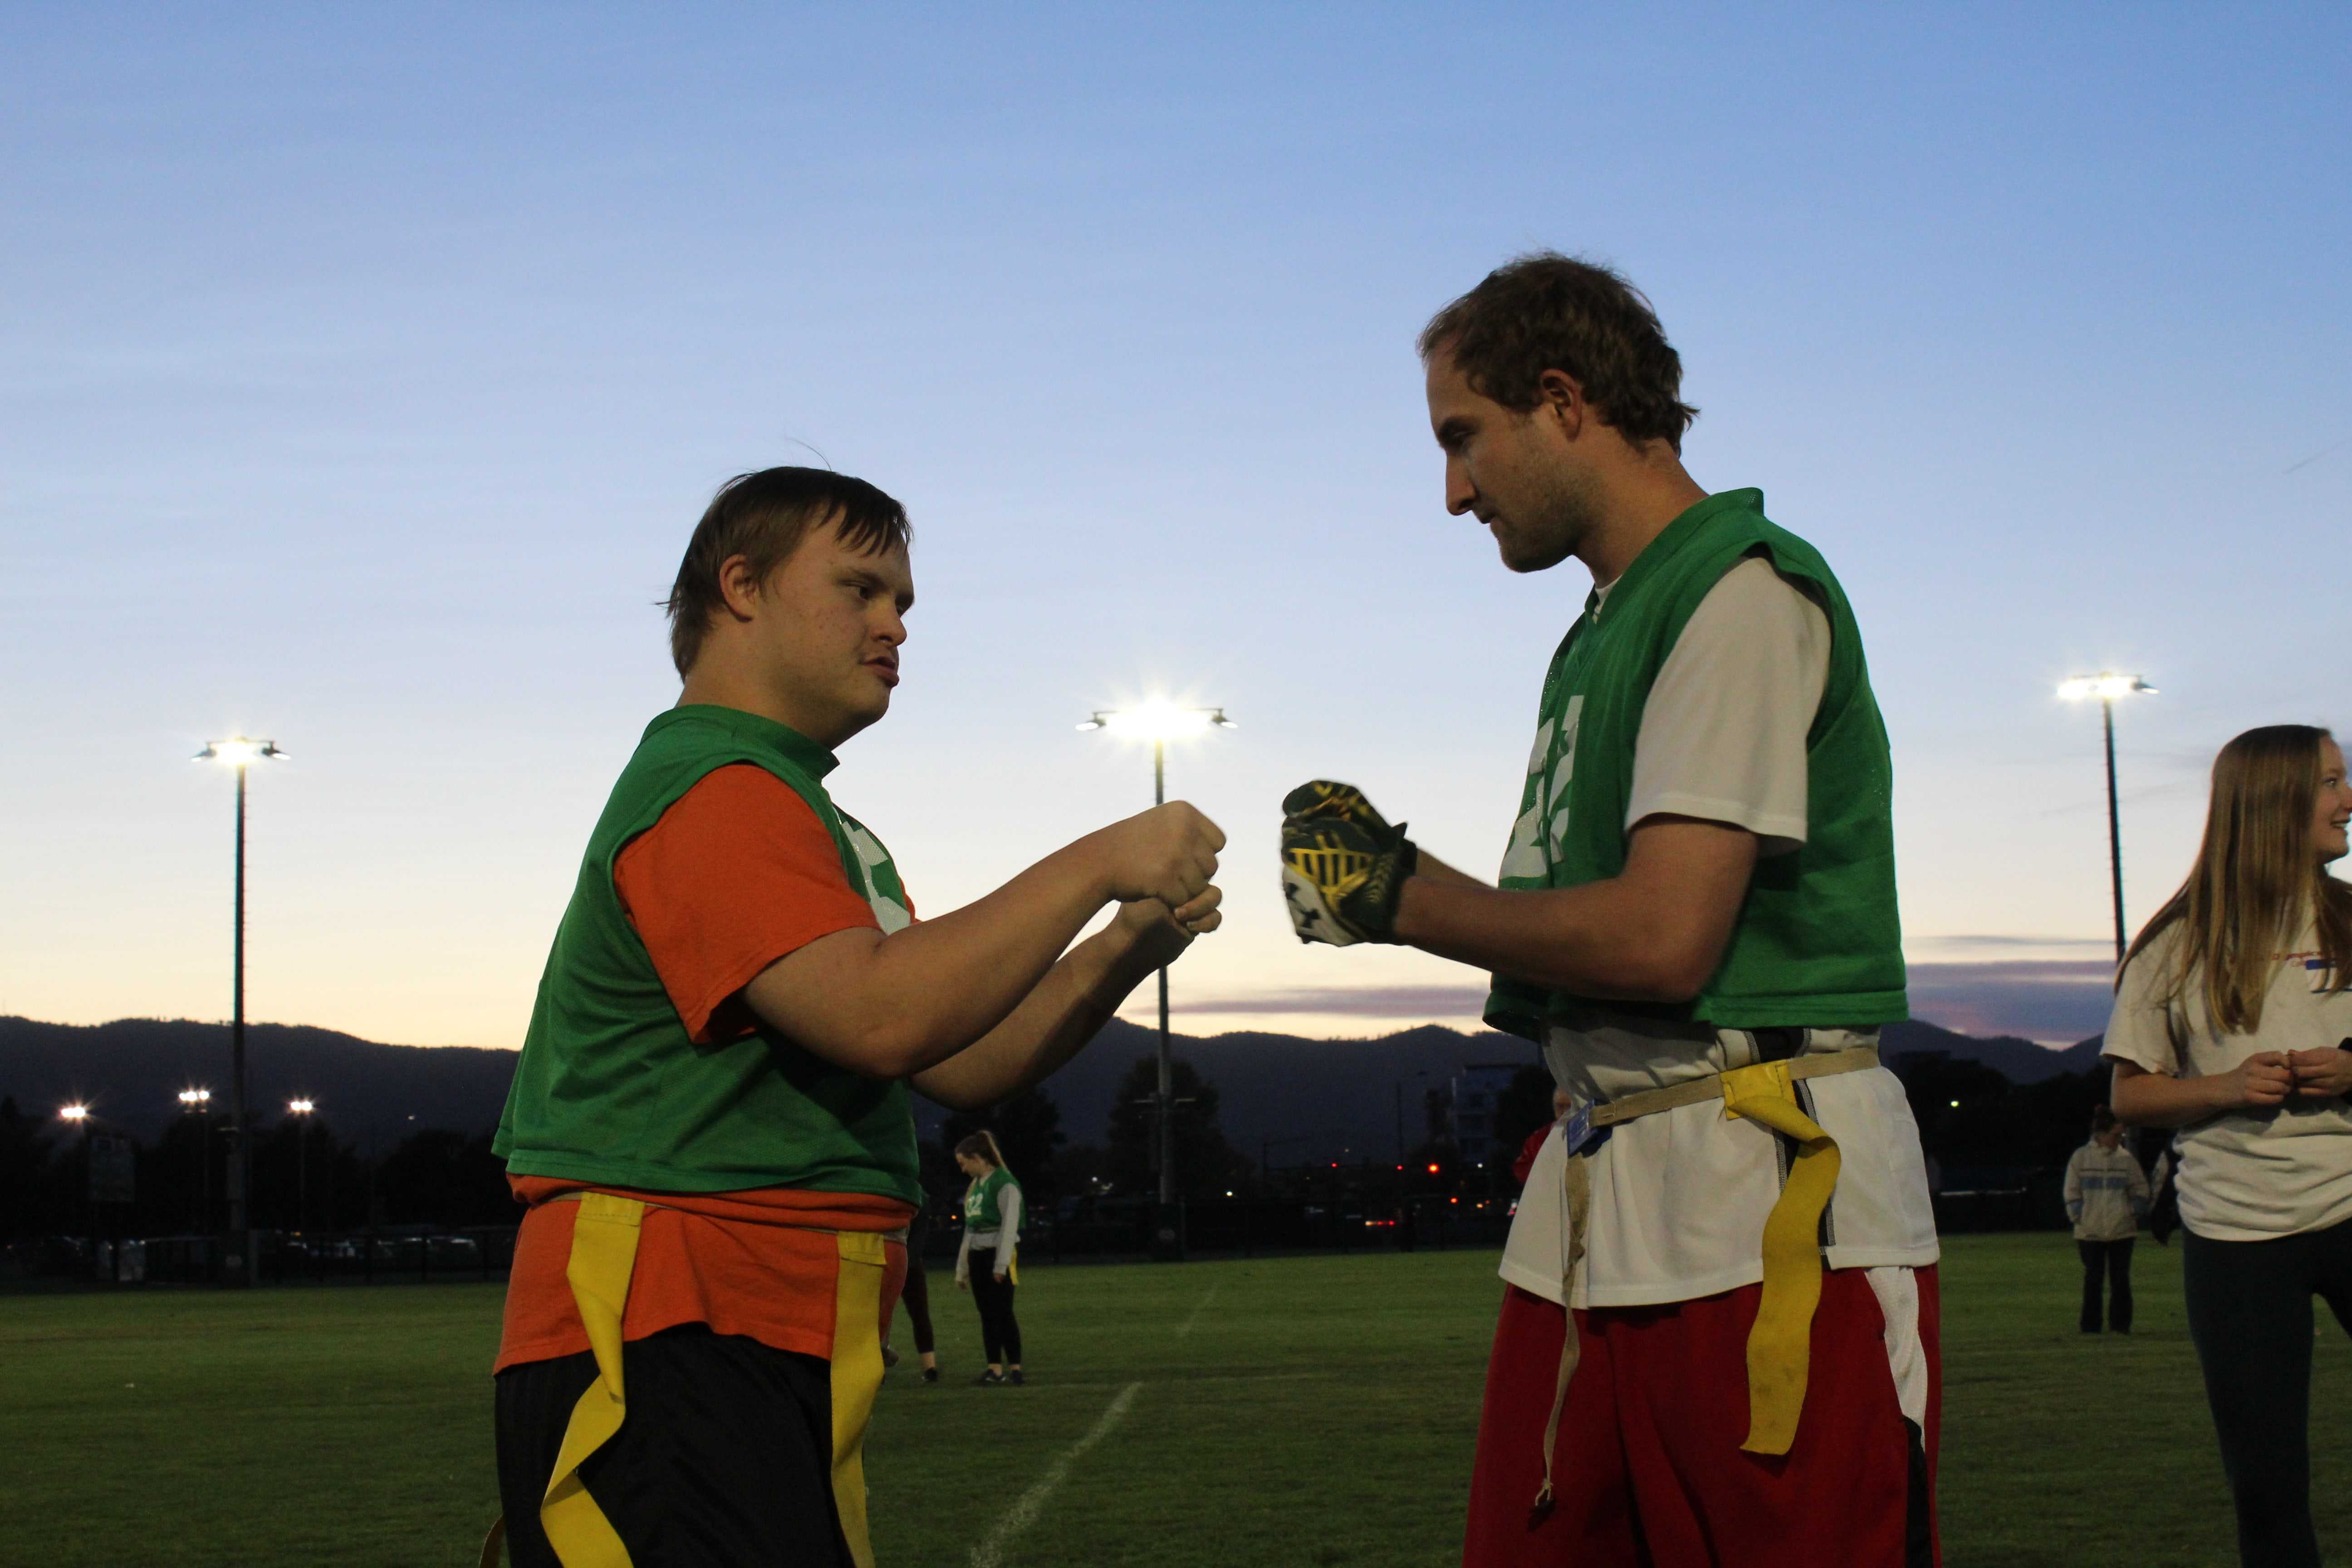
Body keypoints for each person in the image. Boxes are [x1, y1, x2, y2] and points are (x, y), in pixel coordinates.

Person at [1279, 253, 1940, 1567]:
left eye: (1465, 438)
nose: (1454, 491)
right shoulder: (1609, 618)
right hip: (1602, 1195)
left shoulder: (1737, 591)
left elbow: (1663, 938)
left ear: (1565, 398)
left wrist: (1403, 894)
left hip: (1766, 1199)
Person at [486, 467, 1225, 1568]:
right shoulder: (712, 785)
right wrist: (1101, 857)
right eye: (861, 588)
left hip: (753, 1329)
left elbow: (961, 1057)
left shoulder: (805, 813)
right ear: (740, 587)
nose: (894, 627)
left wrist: (1124, 943)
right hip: (665, 1323)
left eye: (904, 604)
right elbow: (880, 1014)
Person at [2104, 723, 2352, 1568]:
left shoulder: (2350, 919)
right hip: (2235, 1239)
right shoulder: (2173, 942)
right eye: (2327, 782)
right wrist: (2223, 1087)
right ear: (2269, 798)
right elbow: (2128, 1093)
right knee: (2266, 1485)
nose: (2345, 801)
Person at [2063, 1105, 2149, 1333]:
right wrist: (2080, 1217)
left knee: (2120, 1281)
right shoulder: (2081, 1158)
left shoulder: (2126, 1159)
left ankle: (2120, 1327)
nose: (2119, 1139)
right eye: (2116, 1135)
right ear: (2101, 1134)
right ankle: (2091, 1327)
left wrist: (2129, 1214)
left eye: (2121, 1135)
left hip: (2122, 1231)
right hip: (2090, 1232)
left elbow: (2141, 1190)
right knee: (2093, 1281)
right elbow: (2071, 1191)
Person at [952, 1131, 1024, 1385]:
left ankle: (1016, 1368)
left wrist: (1001, 1264)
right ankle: (994, 1369)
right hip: (979, 1255)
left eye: (963, 1163)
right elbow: (969, 1229)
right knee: (987, 1314)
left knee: (1004, 1312)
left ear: (976, 1157)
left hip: (998, 1254)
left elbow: (1009, 1227)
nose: (962, 1169)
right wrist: (963, 1269)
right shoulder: (975, 1186)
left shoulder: (1005, 1183)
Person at [881, 1196, 938, 1382]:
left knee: (917, 1314)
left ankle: (930, 1368)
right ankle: (929, 1368)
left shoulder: (917, 1197)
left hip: (895, 1261)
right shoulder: (917, 1196)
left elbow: (918, 1237)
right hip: (900, 1261)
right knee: (915, 1315)